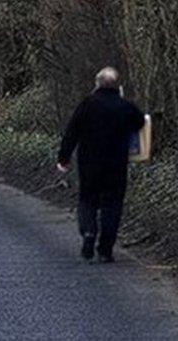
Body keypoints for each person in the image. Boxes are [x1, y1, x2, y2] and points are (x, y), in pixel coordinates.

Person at [57, 67, 145, 263]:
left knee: (87, 200)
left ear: (96, 84)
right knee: (112, 205)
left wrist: (64, 158)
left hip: (90, 164)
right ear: (117, 86)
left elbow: (71, 132)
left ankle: (88, 231)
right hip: (116, 165)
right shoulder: (125, 106)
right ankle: (105, 249)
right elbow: (140, 122)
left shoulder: (87, 105)